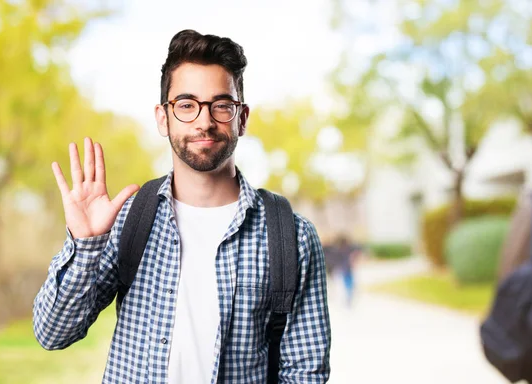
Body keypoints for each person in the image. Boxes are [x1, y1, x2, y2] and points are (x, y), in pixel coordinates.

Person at [32, 29, 331, 384]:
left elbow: (304, 372)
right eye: (187, 105)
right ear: (163, 117)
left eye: (221, 105)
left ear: (243, 117)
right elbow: (53, 334)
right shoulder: (128, 221)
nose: (204, 122)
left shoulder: (291, 236)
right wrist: (85, 245)